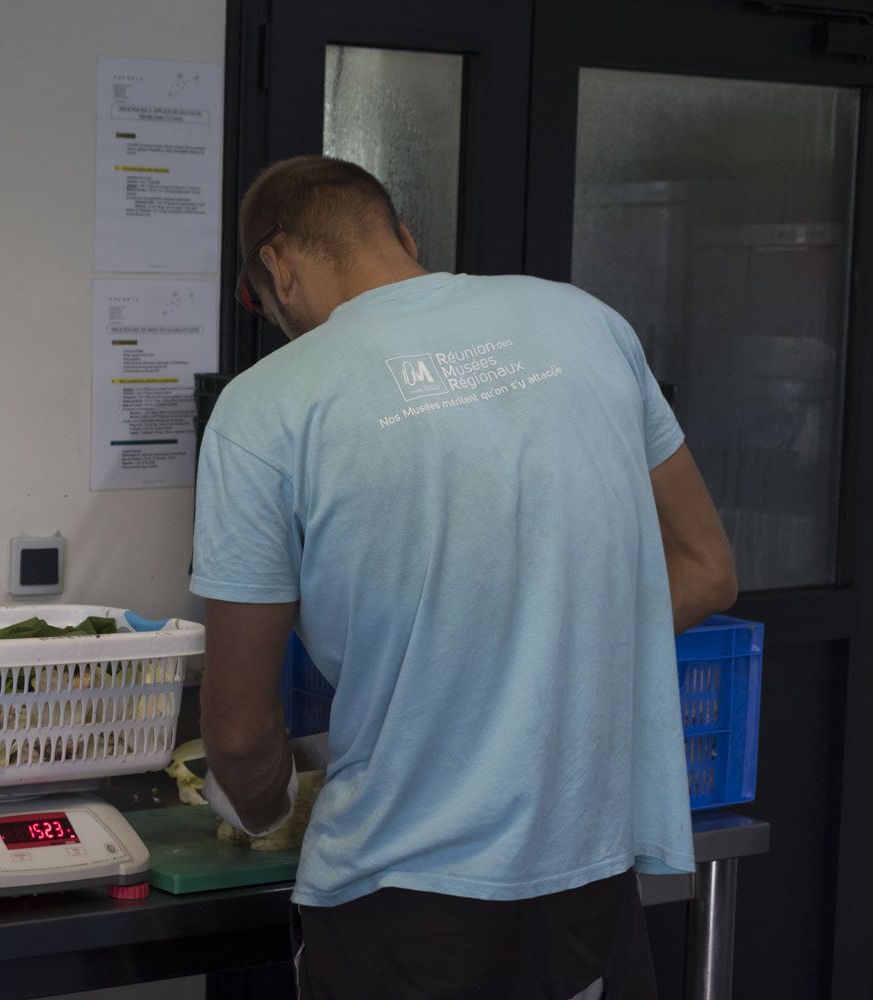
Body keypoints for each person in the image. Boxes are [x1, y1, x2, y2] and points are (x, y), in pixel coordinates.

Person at [191, 155, 738, 1000]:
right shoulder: (587, 322)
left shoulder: (267, 405)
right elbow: (705, 572)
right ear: (404, 238)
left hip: (402, 899)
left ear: (276, 266)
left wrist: (260, 811)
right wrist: (544, 647)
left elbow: (234, 733)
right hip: (587, 877)